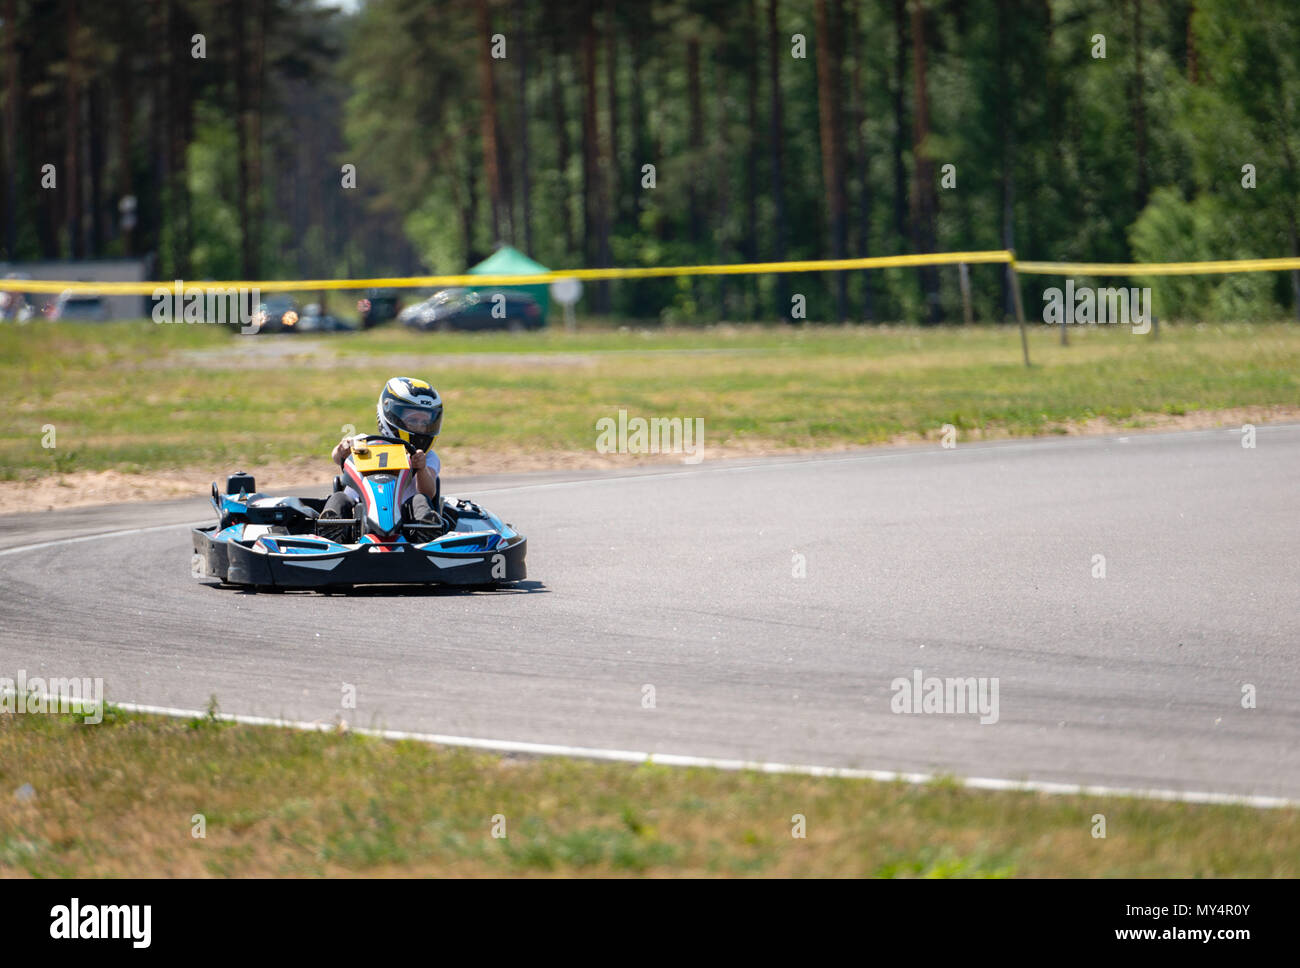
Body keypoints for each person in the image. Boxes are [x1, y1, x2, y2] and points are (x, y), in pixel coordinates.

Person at [319, 377, 443, 534]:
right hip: (357, 510)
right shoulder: (363, 442)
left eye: (425, 422)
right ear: (391, 415)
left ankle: (426, 531)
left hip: (406, 519)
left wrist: (421, 468)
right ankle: (332, 528)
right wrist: (342, 449)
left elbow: (428, 492)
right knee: (339, 498)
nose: (419, 426)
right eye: (413, 420)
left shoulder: (426, 457)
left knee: (421, 500)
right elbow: (337, 458)